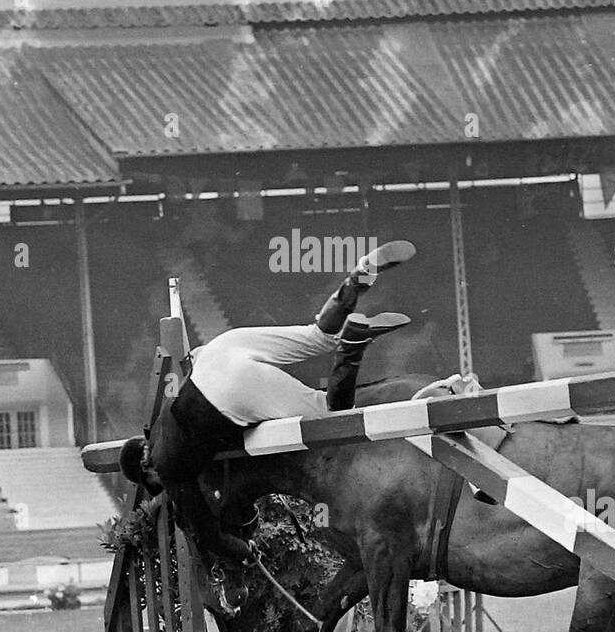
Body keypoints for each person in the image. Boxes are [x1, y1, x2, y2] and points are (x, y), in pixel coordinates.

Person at [120, 240, 416, 564]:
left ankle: (351, 350)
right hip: (219, 351)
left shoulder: (169, 470)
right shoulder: (162, 420)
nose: (161, 485)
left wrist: (245, 553)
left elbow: (209, 535)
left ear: (146, 465)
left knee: (328, 414)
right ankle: (353, 282)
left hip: (228, 391)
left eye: (154, 483)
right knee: (317, 336)